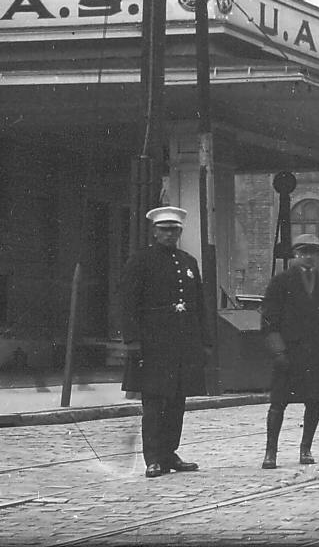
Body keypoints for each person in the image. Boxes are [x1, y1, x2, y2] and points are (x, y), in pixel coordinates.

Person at [120, 205, 214, 479]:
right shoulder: (141, 261)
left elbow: (200, 305)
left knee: (177, 402)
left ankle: (170, 452)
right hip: (153, 344)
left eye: (174, 230)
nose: (170, 235)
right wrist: (133, 340)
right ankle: (153, 458)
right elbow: (128, 303)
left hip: (183, 344)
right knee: (154, 402)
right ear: (154, 232)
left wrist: (204, 341)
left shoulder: (188, 262)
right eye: (164, 230)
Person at [260, 236, 319, 468]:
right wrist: (278, 352)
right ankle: (270, 453)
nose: (309, 256)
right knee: (278, 403)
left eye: (313, 253)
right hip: (289, 353)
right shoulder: (280, 282)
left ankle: (305, 449)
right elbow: (268, 320)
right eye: (304, 252)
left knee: (314, 401)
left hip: (316, 354)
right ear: (296, 254)